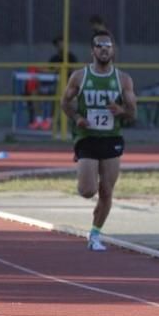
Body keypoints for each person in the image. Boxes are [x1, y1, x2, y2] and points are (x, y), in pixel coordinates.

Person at [59, 30, 137, 251]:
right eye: (100, 46)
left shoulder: (122, 79)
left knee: (107, 191)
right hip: (87, 137)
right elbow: (65, 103)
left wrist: (121, 110)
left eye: (108, 46)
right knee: (87, 191)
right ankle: (81, 162)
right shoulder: (79, 77)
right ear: (92, 50)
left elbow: (133, 113)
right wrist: (77, 117)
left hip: (111, 138)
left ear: (113, 50)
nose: (104, 49)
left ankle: (94, 235)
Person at [26, 35, 78, 130]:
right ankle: (39, 119)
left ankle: (51, 120)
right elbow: (49, 71)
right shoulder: (54, 58)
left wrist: (61, 70)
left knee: (60, 96)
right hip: (53, 85)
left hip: (67, 87)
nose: (60, 46)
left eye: (62, 43)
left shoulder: (71, 57)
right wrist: (42, 70)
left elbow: (74, 72)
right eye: (58, 44)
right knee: (34, 93)